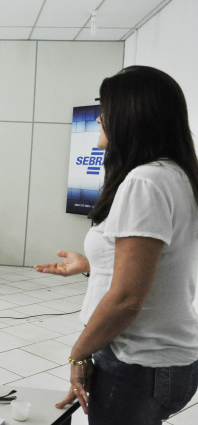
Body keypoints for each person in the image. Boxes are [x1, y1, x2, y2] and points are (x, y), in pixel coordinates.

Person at [34, 66, 198, 425]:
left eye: (105, 111)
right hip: (169, 360)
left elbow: (127, 298)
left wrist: (79, 353)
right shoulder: (176, 175)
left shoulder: (144, 181)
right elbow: (158, 268)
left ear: (132, 115)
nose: (98, 119)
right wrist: (93, 263)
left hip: (138, 361)